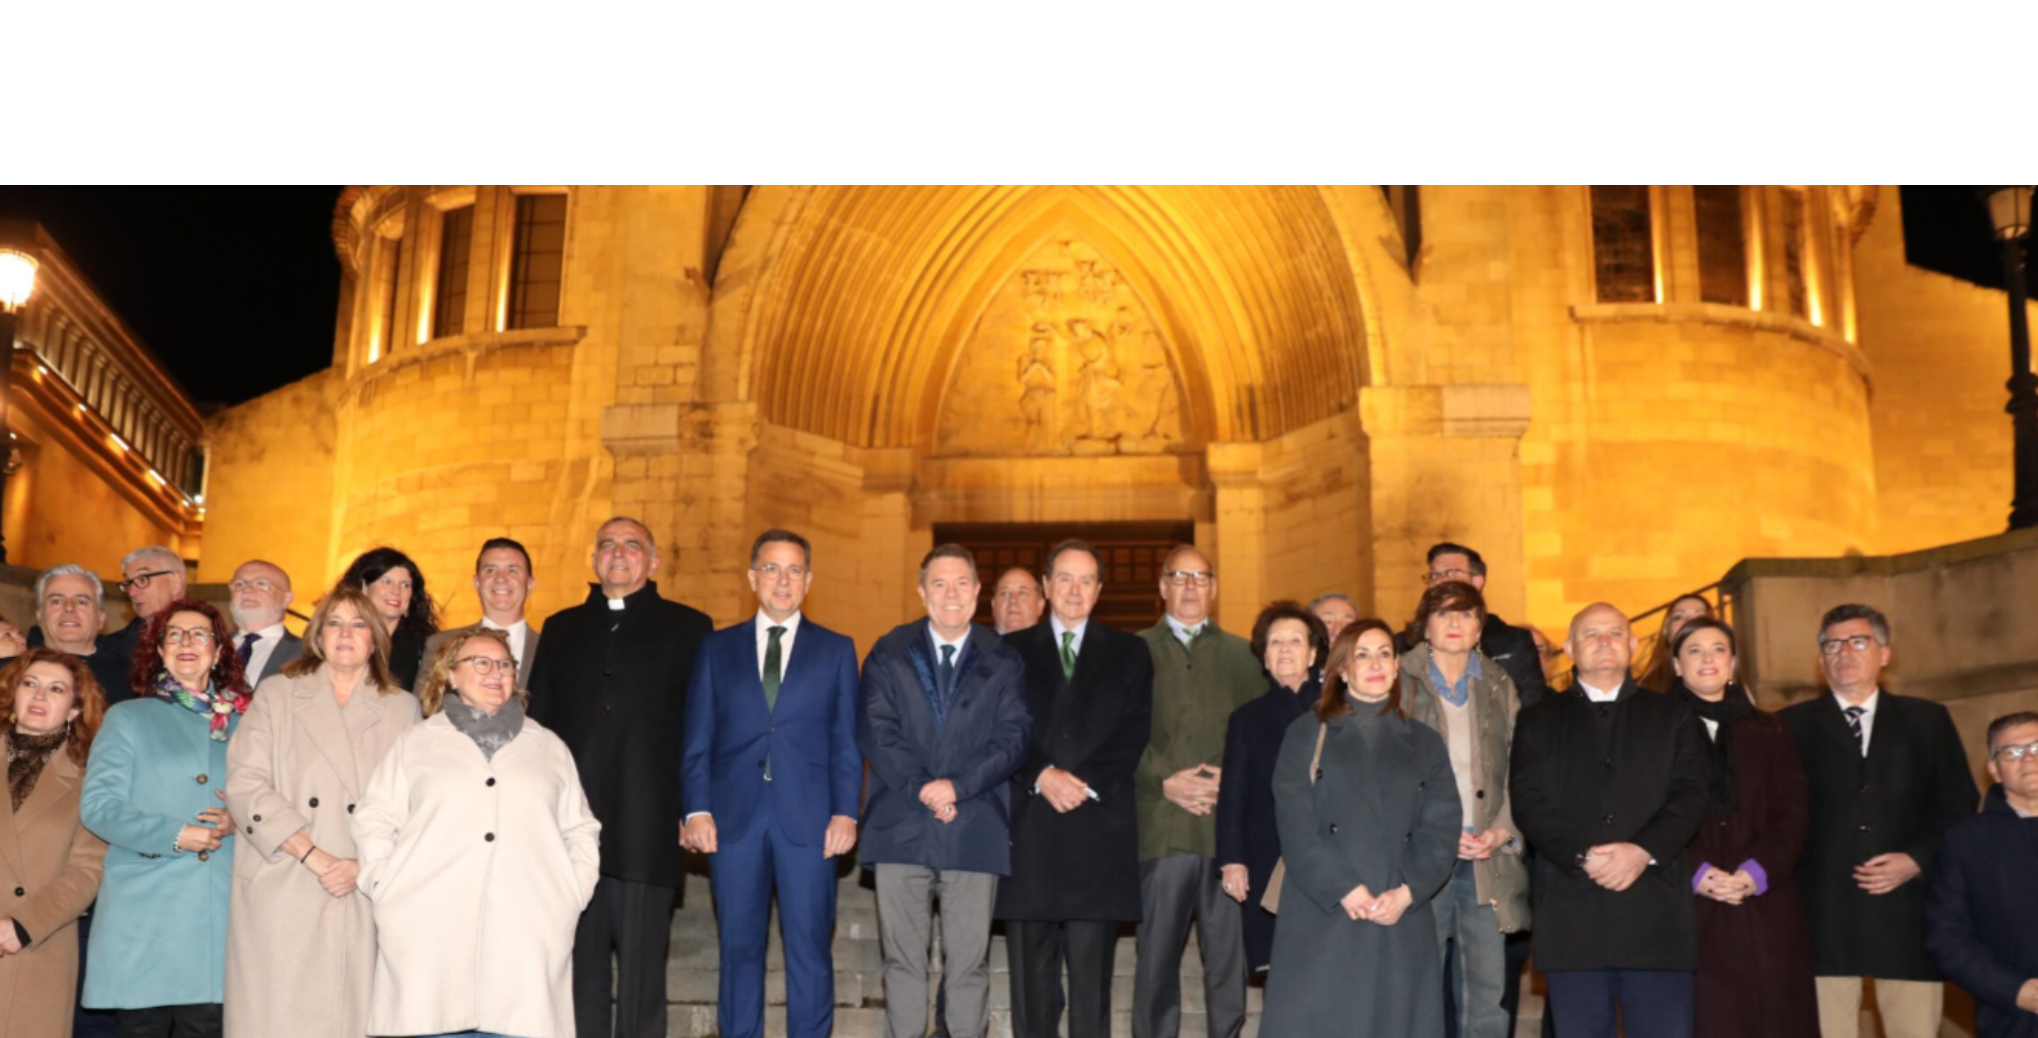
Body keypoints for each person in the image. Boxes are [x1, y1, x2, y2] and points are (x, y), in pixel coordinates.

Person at [356, 628, 601, 1038]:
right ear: (450, 675)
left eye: (504, 664)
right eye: (481, 662)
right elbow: (375, 818)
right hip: (428, 926)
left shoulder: (549, 747)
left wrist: (572, 892)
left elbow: (580, 828)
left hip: (527, 928)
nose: (495, 672)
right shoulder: (416, 743)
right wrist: (383, 883)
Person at [526, 516, 711, 1038]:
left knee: (641, 977)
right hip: (569, 830)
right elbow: (537, 727)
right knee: (578, 974)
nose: (619, 553)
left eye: (633, 546)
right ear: (594, 559)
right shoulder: (561, 628)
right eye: (608, 544)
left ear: (652, 563)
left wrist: (694, 806)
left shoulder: (690, 627)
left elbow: (702, 726)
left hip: (648, 822)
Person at [681, 529, 862, 1038]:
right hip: (734, 819)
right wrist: (696, 808)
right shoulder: (717, 649)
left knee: (809, 948)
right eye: (772, 568)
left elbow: (846, 741)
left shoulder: (837, 650)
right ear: (752, 576)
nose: (783, 580)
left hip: (808, 819)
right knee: (738, 948)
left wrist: (846, 813)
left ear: (808, 580)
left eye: (794, 570)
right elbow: (698, 735)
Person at [222, 587, 422, 1038]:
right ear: (317, 636)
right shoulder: (277, 694)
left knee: (347, 1017)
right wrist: (313, 855)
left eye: (357, 624)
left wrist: (363, 865)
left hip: (360, 887)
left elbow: (415, 808)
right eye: (334, 623)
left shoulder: (403, 708)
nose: (345, 634)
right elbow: (245, 783)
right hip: (285, 875)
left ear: (375, 637)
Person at [1509, 602, 1711, 1038]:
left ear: (1634, 646)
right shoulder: (1537, 720)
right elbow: (1527, 801)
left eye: (1616, 633)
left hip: (1655, 919)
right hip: (1572, 917)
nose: (1605, 642)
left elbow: (1692, 794)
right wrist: (1582, 856)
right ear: (1569, 648)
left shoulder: (1673, 716)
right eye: (1591, 634)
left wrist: (1642, 851)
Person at [858, 545, 1032, 1038]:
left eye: (961, 583)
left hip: (974, 824)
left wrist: (957, 786)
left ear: (978, 591)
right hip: (901, 825)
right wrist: (925, 789)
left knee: (968, 967)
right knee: (902, 963)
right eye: (939, 584)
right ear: (921, 591)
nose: (950, 594)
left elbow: (1014, 736)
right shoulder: (889, 650)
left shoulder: (1004, 659)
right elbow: (876, 728)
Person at [1782, 603, 1978, 1038]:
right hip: (1820, 916)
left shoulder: (1927, 720)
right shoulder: (1786, 727)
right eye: (1832, 644)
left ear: (1884, 654)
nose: (1843, 652)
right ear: (1820, 660)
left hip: (1907, 912)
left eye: (1858, 641)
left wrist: (1916, 859)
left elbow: (1958, 803)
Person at [1259, 620, 1463, 1038]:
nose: (1375, 664)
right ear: (1342, 670)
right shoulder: (1306, 733)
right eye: (1362, 655)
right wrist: (1343, 887)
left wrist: (1408, 891)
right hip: (1325, 909)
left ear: (1395, 667)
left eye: (1384, 653)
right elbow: (1295, 825)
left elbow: (1440, 829)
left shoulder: (1424, 741)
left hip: (1400, 913)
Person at [997, 540, 1153, 1038]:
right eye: (1064, 578)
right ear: (1046, 586)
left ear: (1100, 590)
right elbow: (1001, 729)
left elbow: (1135, 730)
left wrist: (1081, 784)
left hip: (1097, 834)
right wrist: (1042, 774)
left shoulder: (1130, 651)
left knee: (1091, 995)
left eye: (1086, 580)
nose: (1074, 589)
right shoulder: (1010, 652)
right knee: (1031, 994)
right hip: (1029, 836)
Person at [78, 600, 250, 1038]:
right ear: (158, 651)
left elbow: (269, 802)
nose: (186, 642)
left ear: (218, 651)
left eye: (199, 634)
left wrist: (239, 819)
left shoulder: (248, 725)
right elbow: (99, 807)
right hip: (144, 914)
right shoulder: (127, 718)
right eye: (173, 634)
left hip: (219, 911)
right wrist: (175, 834)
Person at [1133, 544, 1260, 1038]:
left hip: (1224, 835)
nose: (1190, 586)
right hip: (1160, 831)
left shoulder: (1244, 656)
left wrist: (1233, 780)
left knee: (1227, 960)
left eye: (1200, 577)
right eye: (1179, 577)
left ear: (1214, 588)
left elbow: (1259, 736)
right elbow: (1118, 737)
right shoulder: (1133, 652)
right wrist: (1162, 778)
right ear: (1162, 586)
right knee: (1156, 960)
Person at [1670, 618, 1818, 1038]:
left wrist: (1757, 872)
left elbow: (1791, 811)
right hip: (1692, 903)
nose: (1708, 658)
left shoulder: (1770, 729)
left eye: (1718, 649)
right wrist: (1696, 872)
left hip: (1766, 902)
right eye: (1694, 650)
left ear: (1733, 662)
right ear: (1677, 665)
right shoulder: (1656, 731)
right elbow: (1649, 814)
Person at [1401, 582, 1528, 1038]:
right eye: (1443, 613)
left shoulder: (1499, 684)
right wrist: (1430, 830)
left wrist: (1503, 830)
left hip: (1485, 855)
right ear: (1425, 625)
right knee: (1415, 986)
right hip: (1418, 854)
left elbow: (1520, 768)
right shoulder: (1398, 678)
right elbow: (1382, 772)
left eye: (1466, 614)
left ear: (1480, 628)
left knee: (1486, 992)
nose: (1454, 623)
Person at [0, 650, 109, 1038]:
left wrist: (24, 926)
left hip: (34, 946)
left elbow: (88, 871)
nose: (40, 696)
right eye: (30, 684)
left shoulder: (90, 779)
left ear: (76, 708)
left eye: (56, 689)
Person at [1214, 601, 1327, 973]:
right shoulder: (1245, 719)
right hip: (1265, 856)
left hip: (1330, 856)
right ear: (1264, 657)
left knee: (1327, 967)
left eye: (1295, 641)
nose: (1284, 649)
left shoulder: (1340, 712)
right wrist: (1232, 860)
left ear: (1312, 653)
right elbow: (1233, 794)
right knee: (1278, 967)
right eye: (1275, 642)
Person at [1926, 711, 2038, 1038]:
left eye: (2037, 747)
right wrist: (2013, 990)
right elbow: (1946, 935)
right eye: (2012, 752)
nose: (2028, 759)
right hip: (2013, 1019)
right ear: (1994, 769)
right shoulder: (1965, 842)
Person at [1421, 544, 1550, 710]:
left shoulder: (1513, 642)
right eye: (1433, 574)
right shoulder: (1407, 644)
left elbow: (1532, 708)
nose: (1438, 581)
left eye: (1450, 572)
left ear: (1477, 582)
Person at [415, 538, 541, 693]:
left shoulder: (551, 649)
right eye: (490, 570)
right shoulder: (440, 645)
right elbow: (424, 708)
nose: (501, 578)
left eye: (512, 570)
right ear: (477, 583)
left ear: (529, 584)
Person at [28, 566, 132, 703]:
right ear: (39, 616)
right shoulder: (11, 674)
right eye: (57, 601)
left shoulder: (132, 678)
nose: (69, 608)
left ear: (101, 618)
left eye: (81, 602)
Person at [339, 547, 439, 691]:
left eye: (405, 585)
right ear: (364, 587)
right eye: (386, 581)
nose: (396, 591)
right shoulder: (339, 636)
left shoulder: (426, 648)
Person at [227, 560, 300, 687]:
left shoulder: (308, 654)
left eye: (261, 584)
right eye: (239, 584)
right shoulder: (211, 644)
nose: (247, 590)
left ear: (286, 599)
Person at [109, 547, 187, 656]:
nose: (132, 592)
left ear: (176, 583)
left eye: (142, 579)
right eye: (129, 583)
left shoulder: (210, 641)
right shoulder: (111, 650)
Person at [1640, 594, 1714, 694]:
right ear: (1667, 632)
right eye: (1679, 617)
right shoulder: (1643, 690)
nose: (1689, 622)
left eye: (1699, 617)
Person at [992, 566, 1046, 636]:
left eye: (1022, 593)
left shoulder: (1058, 645)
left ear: (1040, 606)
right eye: (1004, 593)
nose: (1013, 600)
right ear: (993, 605)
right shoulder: (976, 645)